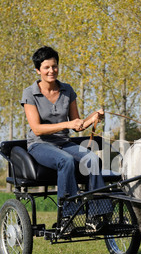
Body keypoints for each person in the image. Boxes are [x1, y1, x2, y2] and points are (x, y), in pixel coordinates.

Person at [21, 46, 111, 229]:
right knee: (66, 161)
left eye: (54, 66)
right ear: (38, 70)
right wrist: (67, 125)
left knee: (92, 158)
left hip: (64, 142)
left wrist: (93, 118)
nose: (51, 71)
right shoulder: (30, 93)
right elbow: (37, 129)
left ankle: (95, 215)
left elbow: (77, 124)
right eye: (46, 67)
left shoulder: (67, 90)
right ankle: (67, 217)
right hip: (40, 144)